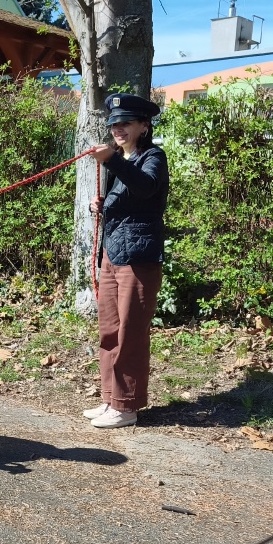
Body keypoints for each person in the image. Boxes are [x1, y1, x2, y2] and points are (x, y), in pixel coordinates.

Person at [86, 93, 169, 429]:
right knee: (109, 330)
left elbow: (146, 188)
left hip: (139, 257)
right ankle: (111, 399)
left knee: (131, 333)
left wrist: (112, 161)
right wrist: (100, 203)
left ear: (143, 126)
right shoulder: (119, 159)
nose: (117, 129)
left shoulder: (153, 157)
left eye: (125, 123)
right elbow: (126, 198)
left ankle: (127, 407)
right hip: (113, 254)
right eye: (114, 124)